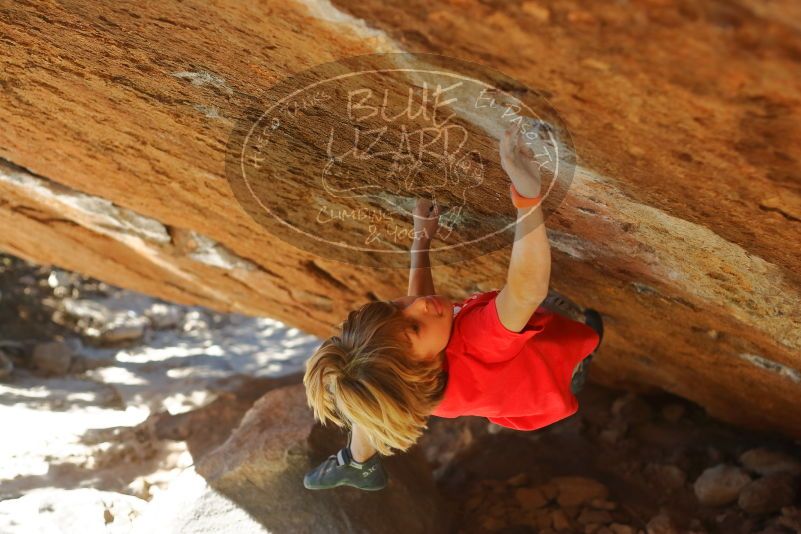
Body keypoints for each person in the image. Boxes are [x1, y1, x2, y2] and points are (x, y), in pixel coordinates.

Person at [302, 122, 603, 491]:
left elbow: (408, 330)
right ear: (424, 364)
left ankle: (357, 461)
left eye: (398, 306)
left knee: (368, 386)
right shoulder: (477, 338)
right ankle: (578, 365)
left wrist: (420, 245)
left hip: (507, 394)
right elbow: (526, 290)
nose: (420, 305)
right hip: (545, 378)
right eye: (414, 327)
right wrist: (527, 197)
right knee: (559, 316)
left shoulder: (416, 387)